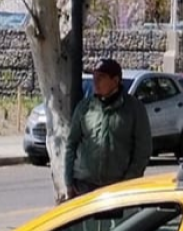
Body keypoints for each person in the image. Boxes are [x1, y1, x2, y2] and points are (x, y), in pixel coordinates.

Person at [62, 58, 152, 200]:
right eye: (94, 77)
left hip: (117, 187)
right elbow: (71, 144)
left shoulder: (134, 109)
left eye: (101, 78)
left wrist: (128, 181)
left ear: (115, 81)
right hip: (84, 186)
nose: (95, 82)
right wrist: (68, 182)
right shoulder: (85, 107)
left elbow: (143, 150)